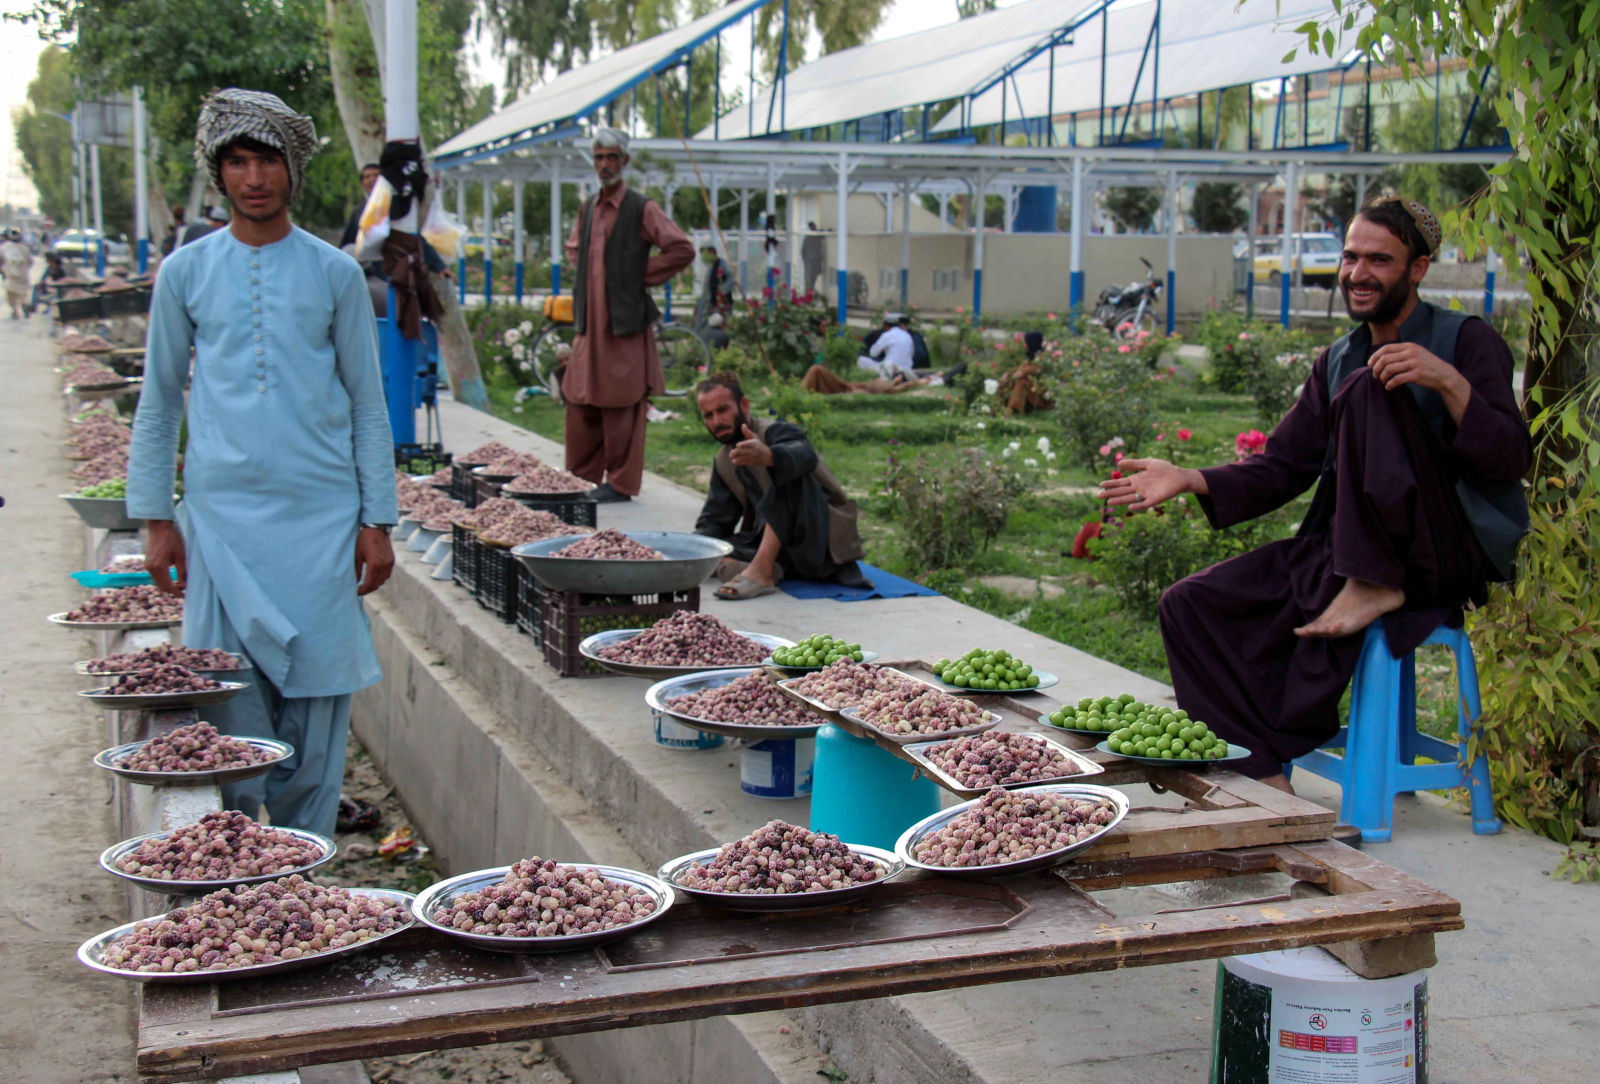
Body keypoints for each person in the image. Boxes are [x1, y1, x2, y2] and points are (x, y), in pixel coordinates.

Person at [1099, 197, 1530, 793]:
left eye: (1380, 259)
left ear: (1418, 269)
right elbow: (1283, 467)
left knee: (1370, 385)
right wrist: (1192, 477)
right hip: (1350, 550)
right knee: (1190, 604)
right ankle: (1262, 775)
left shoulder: (1466, 341)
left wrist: (1449, 383)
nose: (1358, 273)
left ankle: (1374, 580)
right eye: (1351, 257)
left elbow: (1510, 460)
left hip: (1445, 550)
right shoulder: (1338, 360)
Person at [126, 88, 397, 838]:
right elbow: (159, 404)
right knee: (232, 719)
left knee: (315, 736)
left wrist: (378, 519)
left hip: (321, 526)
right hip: (219, 526)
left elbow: (369, 407)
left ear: (291, 169)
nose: (254, 177)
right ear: (218, 175)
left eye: (267, 159)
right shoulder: (185, 273)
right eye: (237, 161)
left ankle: (309, 878)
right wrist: (156, 519)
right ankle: (244, 880)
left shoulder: (335, 274)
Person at [562, 127, 695, 503]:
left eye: (611, 157)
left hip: (623, 324)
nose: (604, 165)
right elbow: (574, 249)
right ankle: (582, 477)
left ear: (625, 161)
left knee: (621, 401)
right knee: (580, 398)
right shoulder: (588, 207)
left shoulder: (641, 207)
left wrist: (640, 276)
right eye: (599, 157)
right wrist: (592, 273)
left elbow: (681, 248)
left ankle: (620, 483)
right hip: (590, 321)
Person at [693, 372, 868, 599]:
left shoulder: (777, 431)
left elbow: (804, 455)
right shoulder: (724, 459)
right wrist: (689, 552)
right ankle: (752, 566)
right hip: (778, 551)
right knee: (711, 547)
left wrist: (770, 456)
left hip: (819, 544)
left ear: (743, 405)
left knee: (791, 473)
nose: (717, 421)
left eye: (723, 410)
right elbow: (716, 519)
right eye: (708, 415)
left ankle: (760, 572)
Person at [801, 364, 929, 395]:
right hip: (847, 386)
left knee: (816, 369)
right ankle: (801, 390)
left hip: (845, 388)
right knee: (816, 370)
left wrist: (918, 382)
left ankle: (801, 391)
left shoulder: (889, 388)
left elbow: (906, 385)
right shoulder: (886, 383)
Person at [857, 312, 914, 377]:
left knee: (861, 360)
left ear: (886, 325)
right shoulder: (907, 335)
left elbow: (873, 353)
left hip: (891, 369)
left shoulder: (887, 335)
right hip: (907, 368)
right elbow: (911, 354)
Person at [694, 243, 733, 330]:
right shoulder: (709, 266)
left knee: (724, 324)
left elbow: (731, 279)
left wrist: (722, 291)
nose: (703, 257)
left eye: (705, 254)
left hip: (722, 303)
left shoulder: (722, 264)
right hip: (711, 302)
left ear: (712, 252)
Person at [1, 228, 32, 319]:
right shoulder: (25, 248)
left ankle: (15, 311)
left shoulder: (4, 247)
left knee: (11, 294)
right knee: (23, 293)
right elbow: (30, 262)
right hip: (23, 274)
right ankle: (24, 304)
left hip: (10, 274)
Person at [801, 221, 825, 293]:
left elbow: (822, 234)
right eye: (812, 227)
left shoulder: (818, 236)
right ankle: (807, 293)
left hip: (816, 260)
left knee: (814, 277)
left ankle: (811, 292)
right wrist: (805, 260)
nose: (814, 228)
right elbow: (803, 250)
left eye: (814, 226)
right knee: (808, 278)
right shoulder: (808, 237)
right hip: (809, 261)